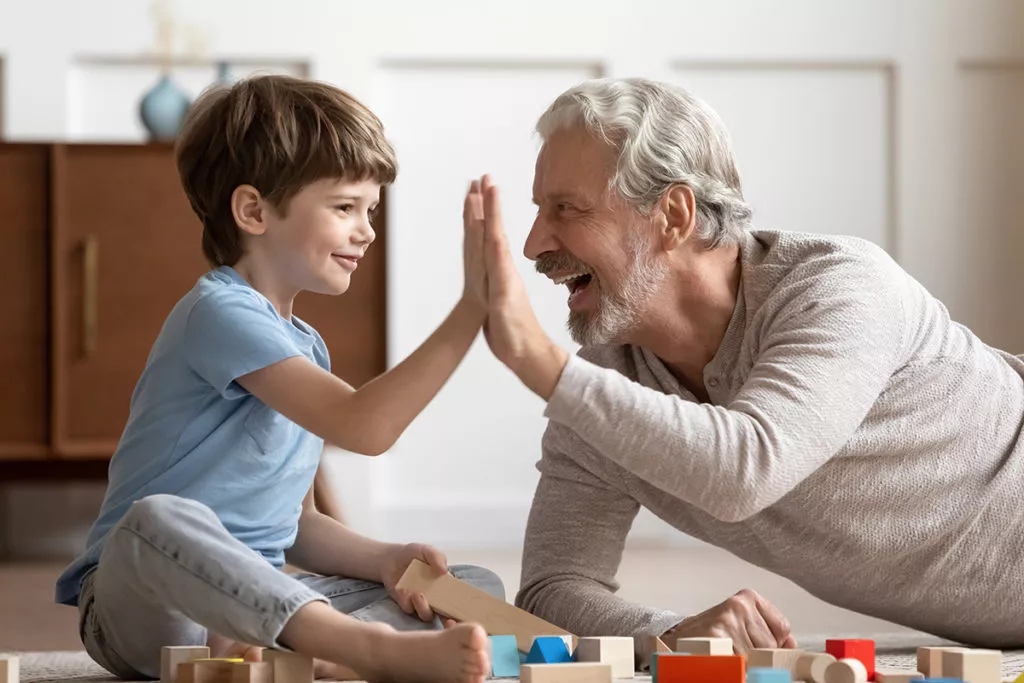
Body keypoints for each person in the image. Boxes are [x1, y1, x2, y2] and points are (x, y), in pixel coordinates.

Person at [463, 77, 1024, 660]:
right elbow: (550, 590)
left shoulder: (837, 287)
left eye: (567, 209)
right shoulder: (605, 387)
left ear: (672, 215)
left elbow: (746, 469)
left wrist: (537, 361)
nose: (532, 245)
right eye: (538, 210)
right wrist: (671, 634)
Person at [55, 74, 501, 683]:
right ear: (253, 211)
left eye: (370, 210)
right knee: (155, 519)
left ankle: (310, 651)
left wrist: (388, 559)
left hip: (251, 609)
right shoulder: (219, 312)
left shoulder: (306, 349)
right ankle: (357, 651)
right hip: (145, 605)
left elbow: (296, 527)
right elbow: (363, 426)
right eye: (345, 207)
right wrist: (470, 312)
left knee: (470, 588)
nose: (367, 230)